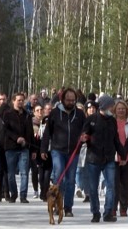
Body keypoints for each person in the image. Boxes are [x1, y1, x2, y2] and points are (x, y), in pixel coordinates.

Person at [40, 88, 87, 217]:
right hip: (57, 150)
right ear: (62, 99)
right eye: (68, 100)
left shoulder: (80, 114)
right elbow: (47, 132)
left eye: (73, 100)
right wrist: (43, 149)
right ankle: (57, 205)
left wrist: (84, 137)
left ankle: (68, 207)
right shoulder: (55, 113)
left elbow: (86, 129)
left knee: (71, 180)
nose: (71, 102)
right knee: (59, 174)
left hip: (74, 151)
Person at [80, 94, 126, 223]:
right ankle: (95, 212)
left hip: (109, 158)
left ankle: (108, 213)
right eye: (111, 106)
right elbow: (84, 134)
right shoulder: (91, 119)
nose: (112, 109)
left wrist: (122, 154)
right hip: (93, 158)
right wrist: (84, 138)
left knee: (111, 186)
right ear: (105, 106)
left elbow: (116, 139)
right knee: (93, 188)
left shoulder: (112, 121)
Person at [2, 93, 34, 203]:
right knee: (11, 174)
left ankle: (23, 195)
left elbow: (30, 132)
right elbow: (5, 130)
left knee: (24, 172)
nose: (20, 102)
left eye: (22, 100)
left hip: (24, 148)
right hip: (11, 148)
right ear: (13, 101)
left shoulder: (27, 115)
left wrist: (32, 148)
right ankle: (14, 193)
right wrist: (17, 138)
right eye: (18, 100)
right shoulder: (7, 114)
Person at [76, 101, 97, 203]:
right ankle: (83, 190)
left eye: (93, 108)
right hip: (83, 148)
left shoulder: (99, 119)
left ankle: (91, 193)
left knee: (91, 172)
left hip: (95, 149)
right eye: (89, 108)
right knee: (82, 170)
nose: (91, 110)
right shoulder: (83, 120)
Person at [37, 102, 53, 202]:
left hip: (51, 151)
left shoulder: (54, 121)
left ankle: (44, 193)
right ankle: (42, 190)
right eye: (47, 109)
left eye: (50, 109)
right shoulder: (42, 121)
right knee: (41, 175)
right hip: (41, 150)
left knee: (47, 174)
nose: (49, 111)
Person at [29, 104, 43, 198]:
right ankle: (35, 190)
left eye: (41, 110)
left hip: (43, 149)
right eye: (37, 110)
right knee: (34, 170)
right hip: (34, 148)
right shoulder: (31, 122)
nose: (39, 112)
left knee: (42, 171)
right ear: (34, 112)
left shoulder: (46, 121)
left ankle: (43, 188)